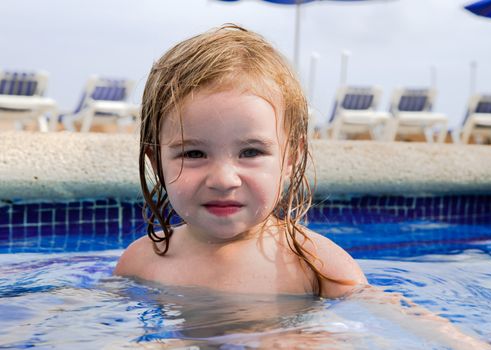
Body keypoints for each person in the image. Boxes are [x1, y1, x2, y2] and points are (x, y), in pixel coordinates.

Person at [114, 24, 367, 298]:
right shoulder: (141, 262)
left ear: (290, 158)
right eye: (193, 154)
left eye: (250, 152)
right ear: (156, 162)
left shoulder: (318, 266)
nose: (223, 180)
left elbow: (381, 324)